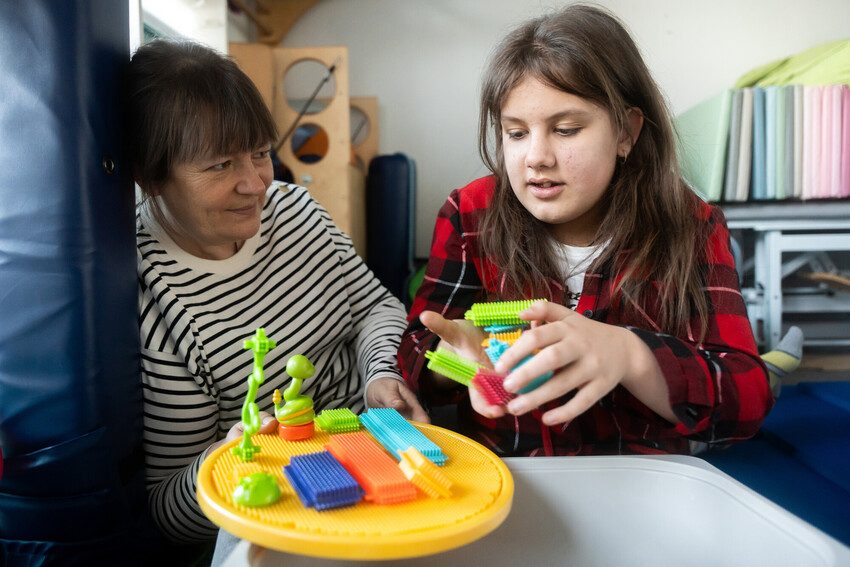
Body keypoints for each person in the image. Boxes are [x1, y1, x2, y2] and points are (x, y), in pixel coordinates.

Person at [399, 4, 774, 457]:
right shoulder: (469, 214)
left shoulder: (691, 224)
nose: (536, 156)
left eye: (566, 129)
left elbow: (746, 400)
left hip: (642, 483)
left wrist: (632, 356)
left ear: (626, 132)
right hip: (512, 479)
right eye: (516, 133)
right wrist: (454, 364)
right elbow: (415, 352)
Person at [126, 39, 427, 547]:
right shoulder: (155, 299)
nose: (255, 183)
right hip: (289, 514)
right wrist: (234, 461)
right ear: (150, 177)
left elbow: (374, 306)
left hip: (382, 452)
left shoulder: (294, 209)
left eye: (260, 153)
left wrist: (380, 375)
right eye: (220, 166)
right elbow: (165, 510)